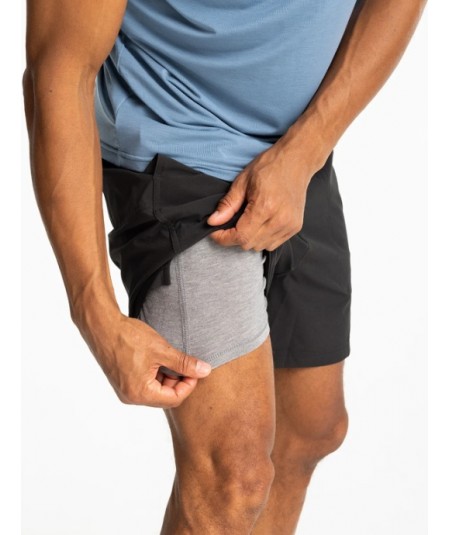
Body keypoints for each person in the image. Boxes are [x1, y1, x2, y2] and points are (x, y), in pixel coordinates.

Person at [23, 0, 427, 533]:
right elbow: (59, 68)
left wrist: (304, 151)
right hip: (176, 146)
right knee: (233, 477)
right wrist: (94, 312)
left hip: (297, 150)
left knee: (310, 430)